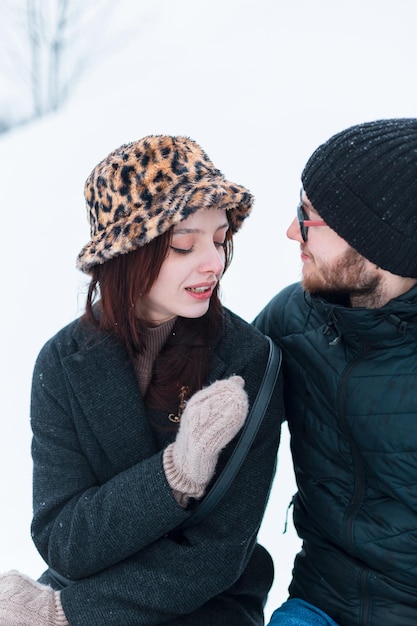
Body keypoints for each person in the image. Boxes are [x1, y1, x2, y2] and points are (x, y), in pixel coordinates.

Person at [0, 135, 283, 625]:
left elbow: (218, 553)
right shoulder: (64, 363)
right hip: (85, 586)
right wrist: (176, 474)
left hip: (208, 607)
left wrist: (64, 614)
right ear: (127, 252)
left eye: (220, 240)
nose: (213, 262)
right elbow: (63, 539)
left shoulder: (246, 360)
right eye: (183, 245)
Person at [254, 117, 417, 626]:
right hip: (320, 605)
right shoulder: (292, 319)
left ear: (376, 240)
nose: (290, 231)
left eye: (310, 217)